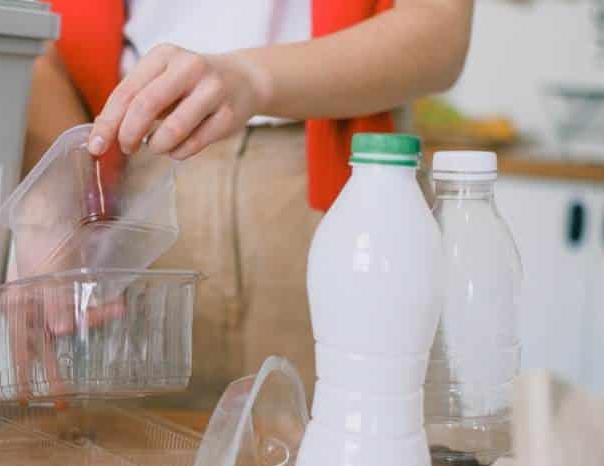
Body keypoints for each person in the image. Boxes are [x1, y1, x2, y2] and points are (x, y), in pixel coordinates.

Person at [23, 0, 474, 407]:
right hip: (129, 188)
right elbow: (41, 43)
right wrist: (54, 201)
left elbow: (438, 29)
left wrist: (253, 76)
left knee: (361, 449)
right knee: (125, 465)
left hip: (330, 182)